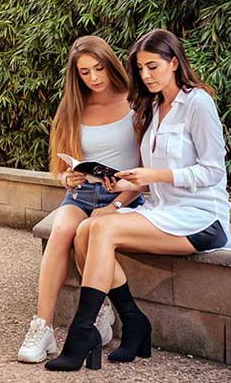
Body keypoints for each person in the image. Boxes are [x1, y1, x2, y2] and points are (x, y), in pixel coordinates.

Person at [46, 29, 231, 371]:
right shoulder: (152, 106)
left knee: (101, 229)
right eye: (140, 68)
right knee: (86, 230)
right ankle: (134, 321)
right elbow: (146, 172)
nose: (146, 75)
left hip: (201, 218)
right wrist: (117, 183)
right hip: (163, 211)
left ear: (174, 63)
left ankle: (81, 335)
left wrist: (155, 176)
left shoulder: (197, 103)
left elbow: (212, 171)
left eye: (153, 66)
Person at [15, 36, 144, 363]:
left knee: (88, 232)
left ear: (110, 63)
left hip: (124, 195)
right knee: (61, 231)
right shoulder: (72, 106)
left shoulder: (135, 101)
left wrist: (115, 203)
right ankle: (42, 327)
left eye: (99, 68)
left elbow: (146, 168)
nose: (94, 78)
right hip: (82, 193)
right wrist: (67, 177)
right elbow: (61, 166)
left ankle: (101, 311)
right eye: (85, 72)